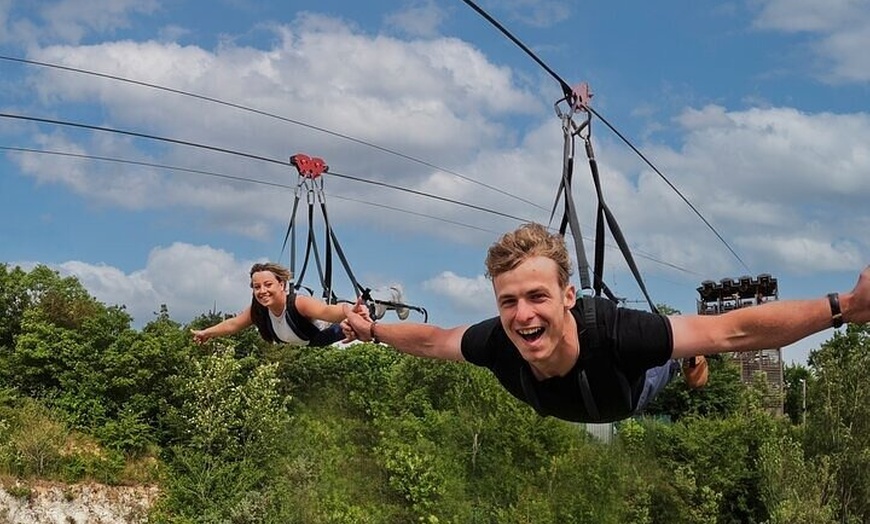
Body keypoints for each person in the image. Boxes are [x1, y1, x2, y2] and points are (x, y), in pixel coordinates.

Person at [342, 222, 868, 423]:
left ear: (569, 296)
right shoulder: (495, 341)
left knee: (675, 348)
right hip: (584, 399)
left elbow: (733, 330)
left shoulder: (617, 332)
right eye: (508, 301)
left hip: (628, 387)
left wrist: (843, 305)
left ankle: (687, 361)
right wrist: (371, 331)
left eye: (537, 297)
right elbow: (435, 340)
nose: (522, 316)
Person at [192, 262, 369, 347]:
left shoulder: (299, 303)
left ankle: (377, 305)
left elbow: (328, 311)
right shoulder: (259, 310)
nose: (262, 291)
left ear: (281, 285)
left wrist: (349, 310)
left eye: (268, 285)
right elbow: (233, 324)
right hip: (307, 341)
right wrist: (207, 333)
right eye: (256, 287)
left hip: (326, 332)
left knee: (363, 320)